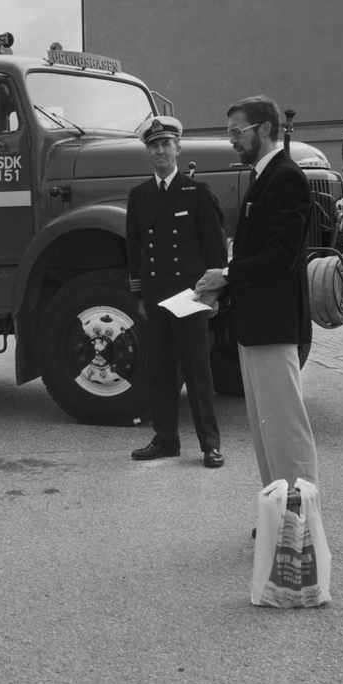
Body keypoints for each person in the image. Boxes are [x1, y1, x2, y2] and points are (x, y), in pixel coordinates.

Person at [195, 95, 319, 489]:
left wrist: (227, 275)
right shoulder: (263, 176)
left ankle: (298, 523)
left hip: (273, 326)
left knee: (285, 430)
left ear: (264, 129)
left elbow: (281, 257)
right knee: (266, 432)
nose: (231, 139)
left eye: (237, 131)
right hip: (257, 326)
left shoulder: (285, 177)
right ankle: (278, 512)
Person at [126, 115, 228, 468]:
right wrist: (139, 295)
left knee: (198, 371)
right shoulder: (138, 196)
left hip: (191, 297)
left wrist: (213, 295)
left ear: (178, 148)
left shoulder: (196, 192)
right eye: (153, 146)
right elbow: (133, 250)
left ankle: (210, 445)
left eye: (165, 144)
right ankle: (165, 439)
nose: (159, 151)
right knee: (160, 372)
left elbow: (216, 251)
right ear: (148, 152)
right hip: (156, 297)